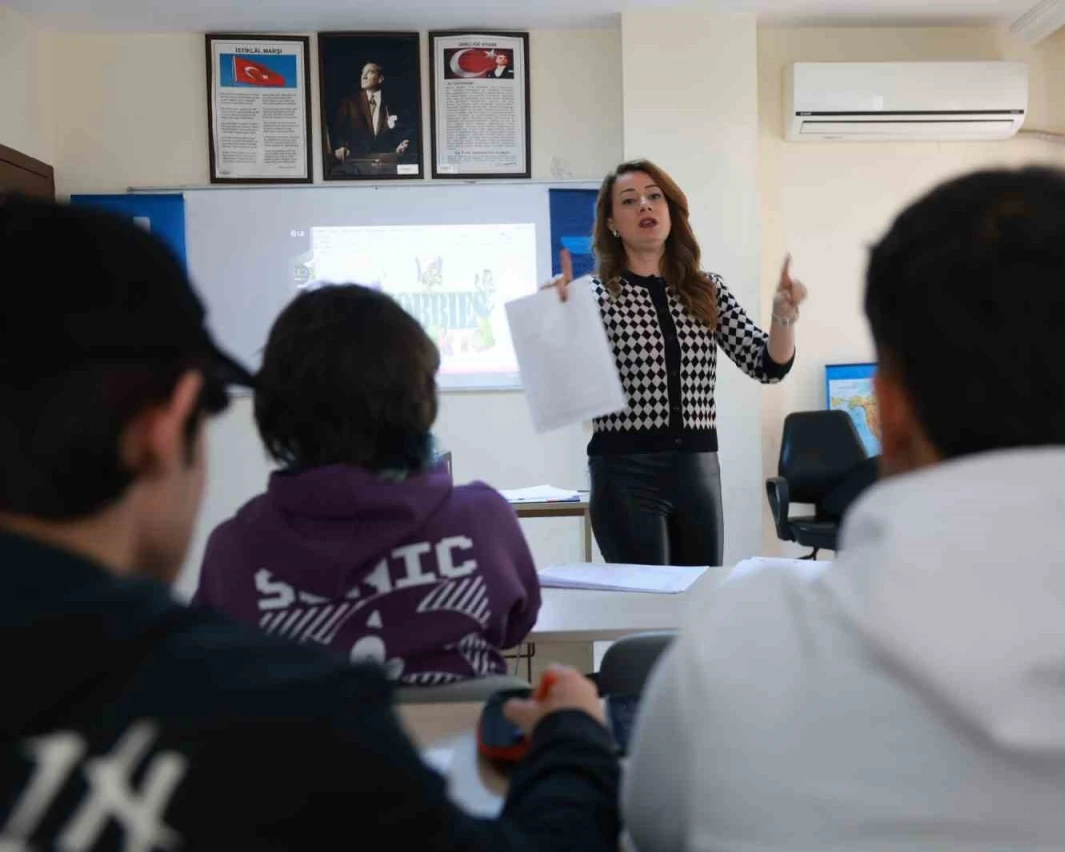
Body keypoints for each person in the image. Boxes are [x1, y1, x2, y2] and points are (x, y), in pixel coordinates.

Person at [624, 167, 1065, 850]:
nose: (645, 208)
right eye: (630, 200)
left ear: (892, 408)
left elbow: (652, 824)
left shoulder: (738, 656)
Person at [0, 196, 619, 851]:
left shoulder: (234, 553)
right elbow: (516, 624)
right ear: (164, 425)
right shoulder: (296, 716)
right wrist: (574, 736)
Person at [194, 285, 540, 688]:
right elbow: (515, 626)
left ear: (273, 406)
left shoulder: (234, 551)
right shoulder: (482, 521)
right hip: (464, 749)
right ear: (421, 395)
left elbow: (214, 675)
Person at [547, 159, 807, 567]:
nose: (645, 206)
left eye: (654, 197)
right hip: (625, 474)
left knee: (699, 604)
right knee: (646, 608)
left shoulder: (707, 290)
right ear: (612, 222)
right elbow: (565, 392)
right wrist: (554, 322)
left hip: (698, 472)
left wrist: (783, 316)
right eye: (629, 201)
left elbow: (767, 365)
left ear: (671, 211)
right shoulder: (595, 296)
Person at [330, 62, 411, 169]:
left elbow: (403, 131)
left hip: (387, 165)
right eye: (363, 73)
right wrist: (340, 147)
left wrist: (403, 143)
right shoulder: (349, 103)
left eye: (370, 72)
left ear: (380, 78)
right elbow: (338, 132)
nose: (364, 77)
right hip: (355, 166)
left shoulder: (393, 103)